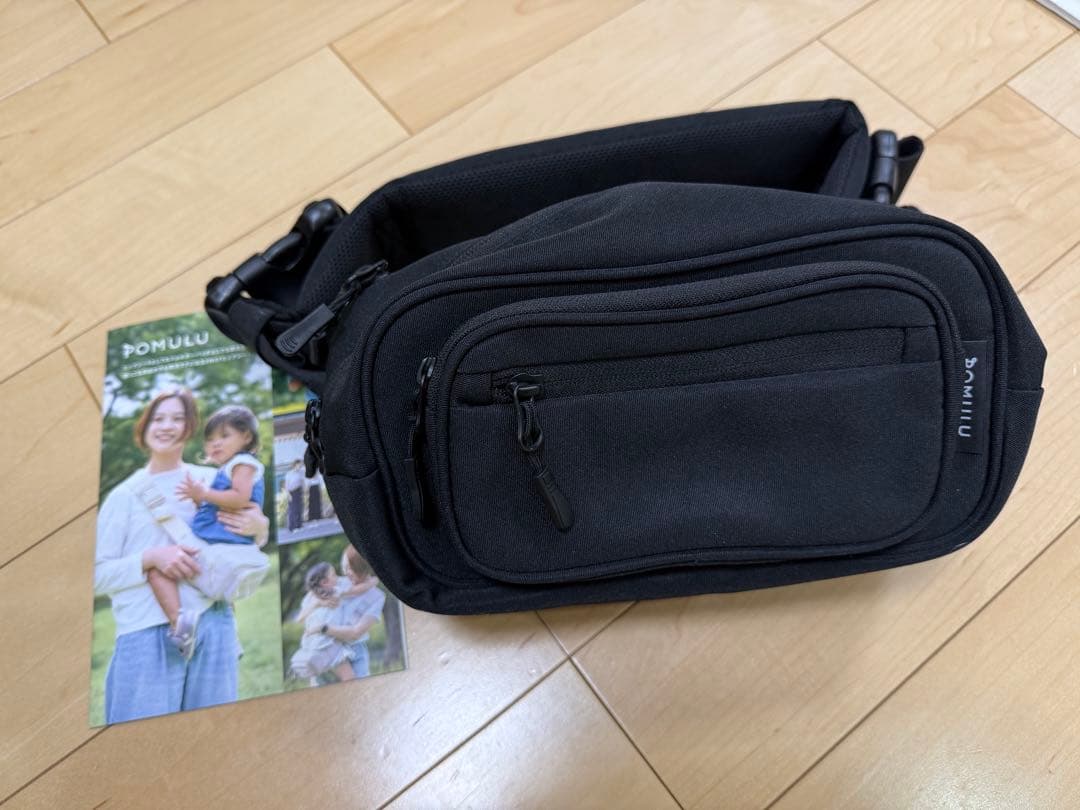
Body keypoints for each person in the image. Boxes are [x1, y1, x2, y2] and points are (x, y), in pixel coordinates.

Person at [95, 388, 268, 723]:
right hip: (146, 631)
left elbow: (240, 542)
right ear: (144, 427)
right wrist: (150, 558)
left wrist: (261, 528)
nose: (166, 426)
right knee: (141, 742)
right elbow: (97, 576)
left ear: (189, 427)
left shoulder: (212, 479)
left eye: (177, 418)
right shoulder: (123, 496)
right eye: (158, 419)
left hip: (215, 623)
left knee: (214, 737)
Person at [148, 405, 267, 658]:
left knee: (158, 572)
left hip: (220, 544)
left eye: (224, 436)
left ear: (246, 436)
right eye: (210, 439)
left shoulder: (241, 465)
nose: (215, 444)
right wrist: (199, 499)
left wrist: (203, 494)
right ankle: (228, 639)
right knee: (214, 590)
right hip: (216, 543)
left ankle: (180, 624)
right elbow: (219, 506)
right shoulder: (226, 470)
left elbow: (240, 498)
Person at [289, 562, 361, 685]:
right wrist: (318, 603)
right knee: (347, 678)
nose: (337, 577)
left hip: (321, 643)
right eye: (333, 575)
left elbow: (356, 589)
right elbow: (299, 618)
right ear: (324, 582)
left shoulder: (336, 590)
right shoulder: (312, 597)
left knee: (323, 680)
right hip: (323, 644)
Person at [320, 547, 385, 678]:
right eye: (344, 568)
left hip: (356, 647)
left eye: (350, 568)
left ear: (363, 567)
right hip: (332, 645)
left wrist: (325, 629)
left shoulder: (377, 596)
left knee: (362, 681)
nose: (346, 573)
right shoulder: (341, 582)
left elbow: (356, 633)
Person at [285, 460, 304, 531]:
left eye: (301, 465)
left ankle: (299, 525)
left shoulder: (300, 473)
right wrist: (288, 495)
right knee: (293, 510)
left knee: (299, 508)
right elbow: (286, 486)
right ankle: (292, 527)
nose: (300, 466)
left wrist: (303, 491)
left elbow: (302, 482)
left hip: (299, 491)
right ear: (295, 465)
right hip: (292, 492)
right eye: (299, 465)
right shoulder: (289, 474)